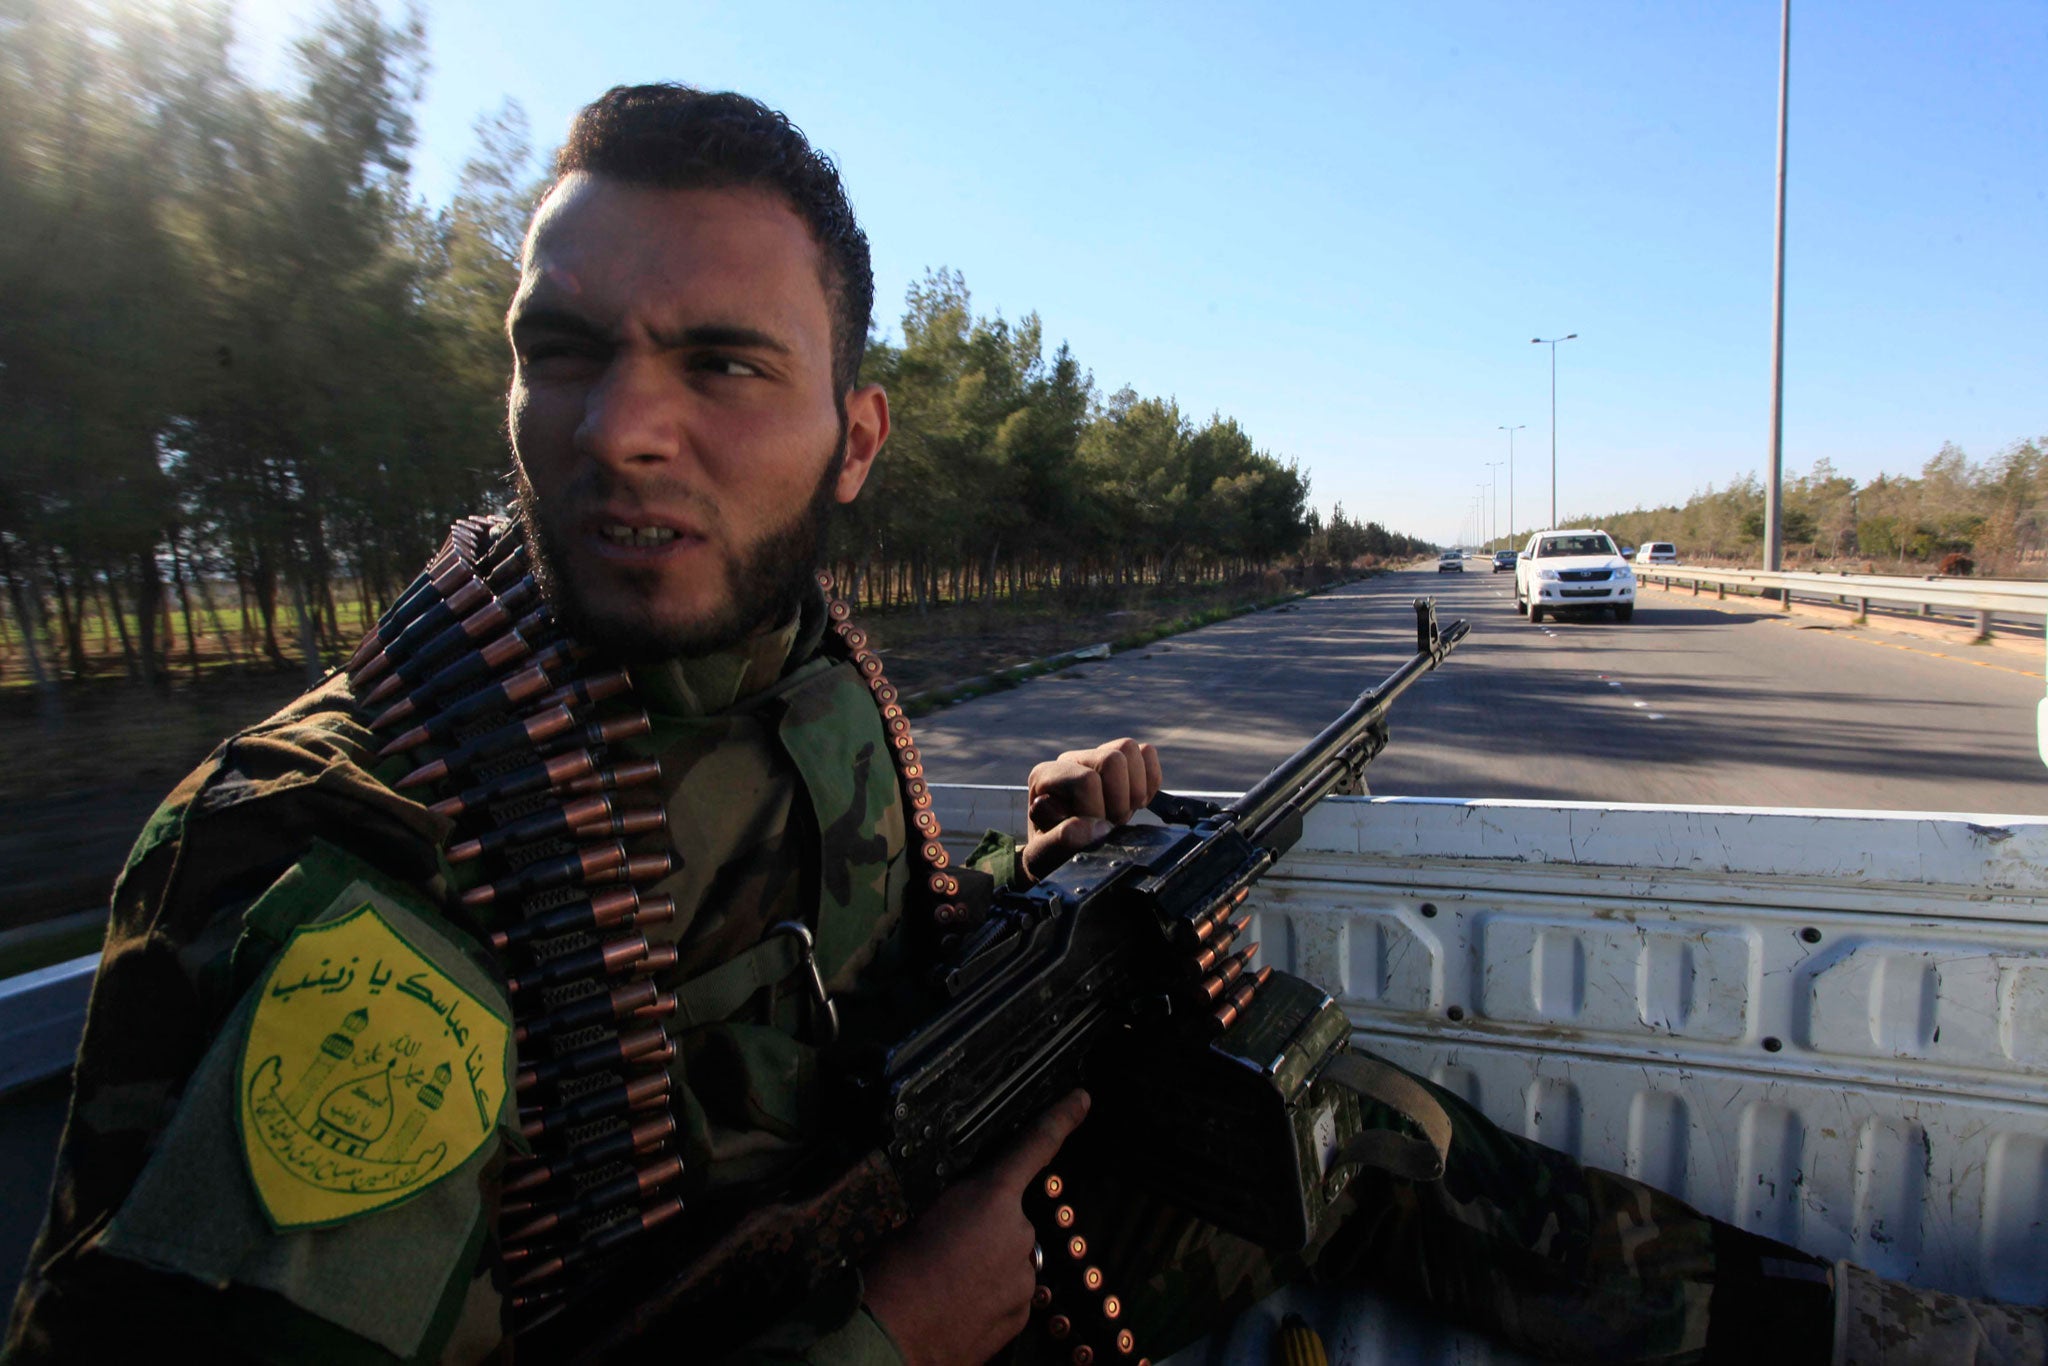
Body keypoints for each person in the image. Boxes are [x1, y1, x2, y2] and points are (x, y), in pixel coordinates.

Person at [6, 84, 2038, 1366]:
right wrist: (890, 1328)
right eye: (566, 350)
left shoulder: (811, 680)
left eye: (722, 362)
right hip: (857, 1292)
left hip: (911, 1203)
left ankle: (1851, 1326)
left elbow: (796, 989)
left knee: (1343, 1119)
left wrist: (1019, 872)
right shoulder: (344, 857)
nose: (624, 425)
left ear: (855, 438)